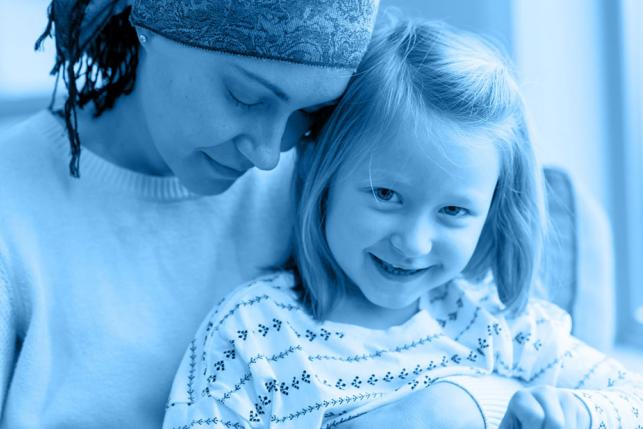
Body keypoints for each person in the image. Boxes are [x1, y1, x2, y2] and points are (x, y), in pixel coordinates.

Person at [162, 17, 643, 429]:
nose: (413, 243)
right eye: (386, 195)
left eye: (453, 211)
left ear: (492, 210)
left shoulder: (496, 322)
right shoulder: (254, 333)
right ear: (317, 169)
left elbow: (633, 399)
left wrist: (577, 410)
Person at [0, 0, 380, 428]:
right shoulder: (11, 202)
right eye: (246, 97)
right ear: (147, 29)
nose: (269, 154)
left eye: (309, 113)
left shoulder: (326, 192)